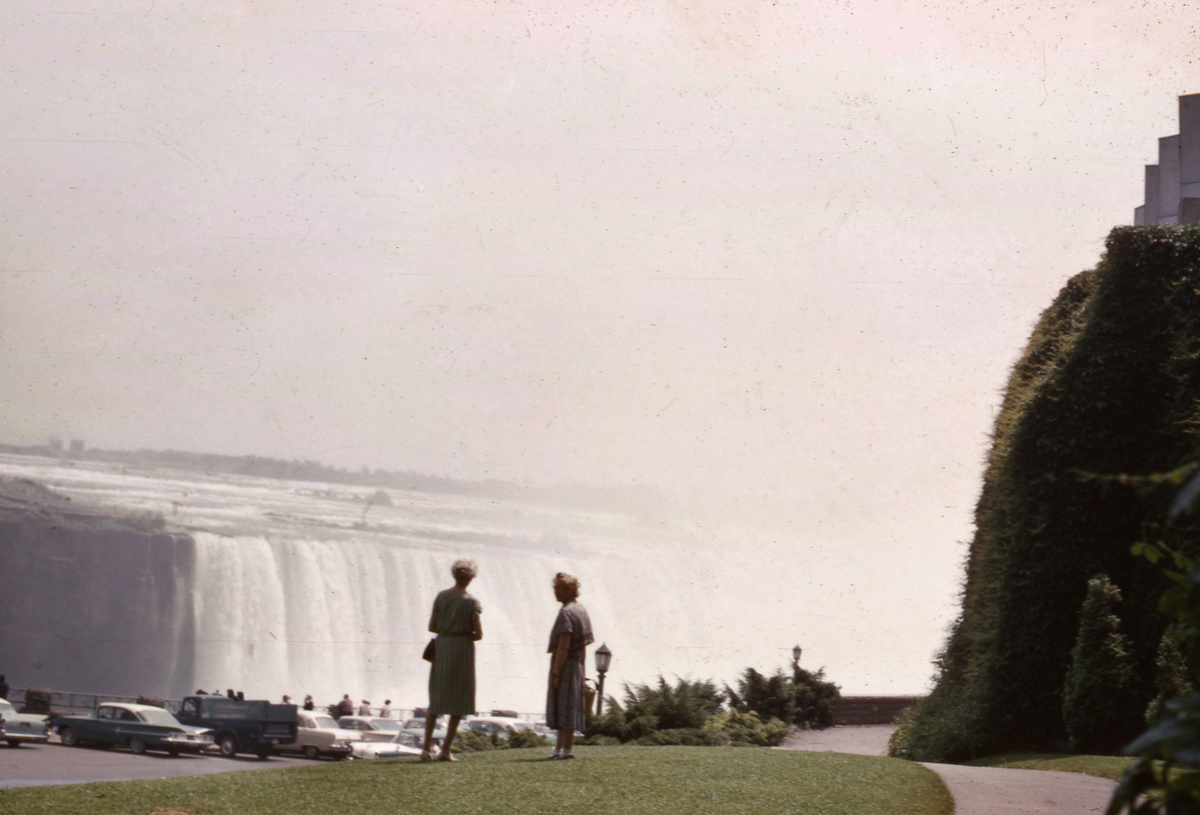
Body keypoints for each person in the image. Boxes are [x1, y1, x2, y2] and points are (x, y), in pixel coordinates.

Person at [424, 558, 483, 761]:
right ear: (471, 578)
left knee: (436, 699)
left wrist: (447, 631)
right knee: (459, 699)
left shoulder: (441, 596)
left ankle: (425, 749)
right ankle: (446, 750)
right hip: (462, 650)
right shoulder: (472, 602)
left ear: (454, 575)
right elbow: (479, 634)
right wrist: (463, 632)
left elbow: (432, 626)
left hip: (442, 647)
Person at [545, 572, 593, 761]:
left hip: (565, 664)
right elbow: (583, 645)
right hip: (577, 664)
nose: (556, 592)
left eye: (560, 589)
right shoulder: (581, 609)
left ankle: (566, 750)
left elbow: (563, 646)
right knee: (569, 705)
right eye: (555, 588)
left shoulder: (566, 612)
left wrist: (556, 673)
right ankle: (559, 748)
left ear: (570, 590)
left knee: (563, 705)